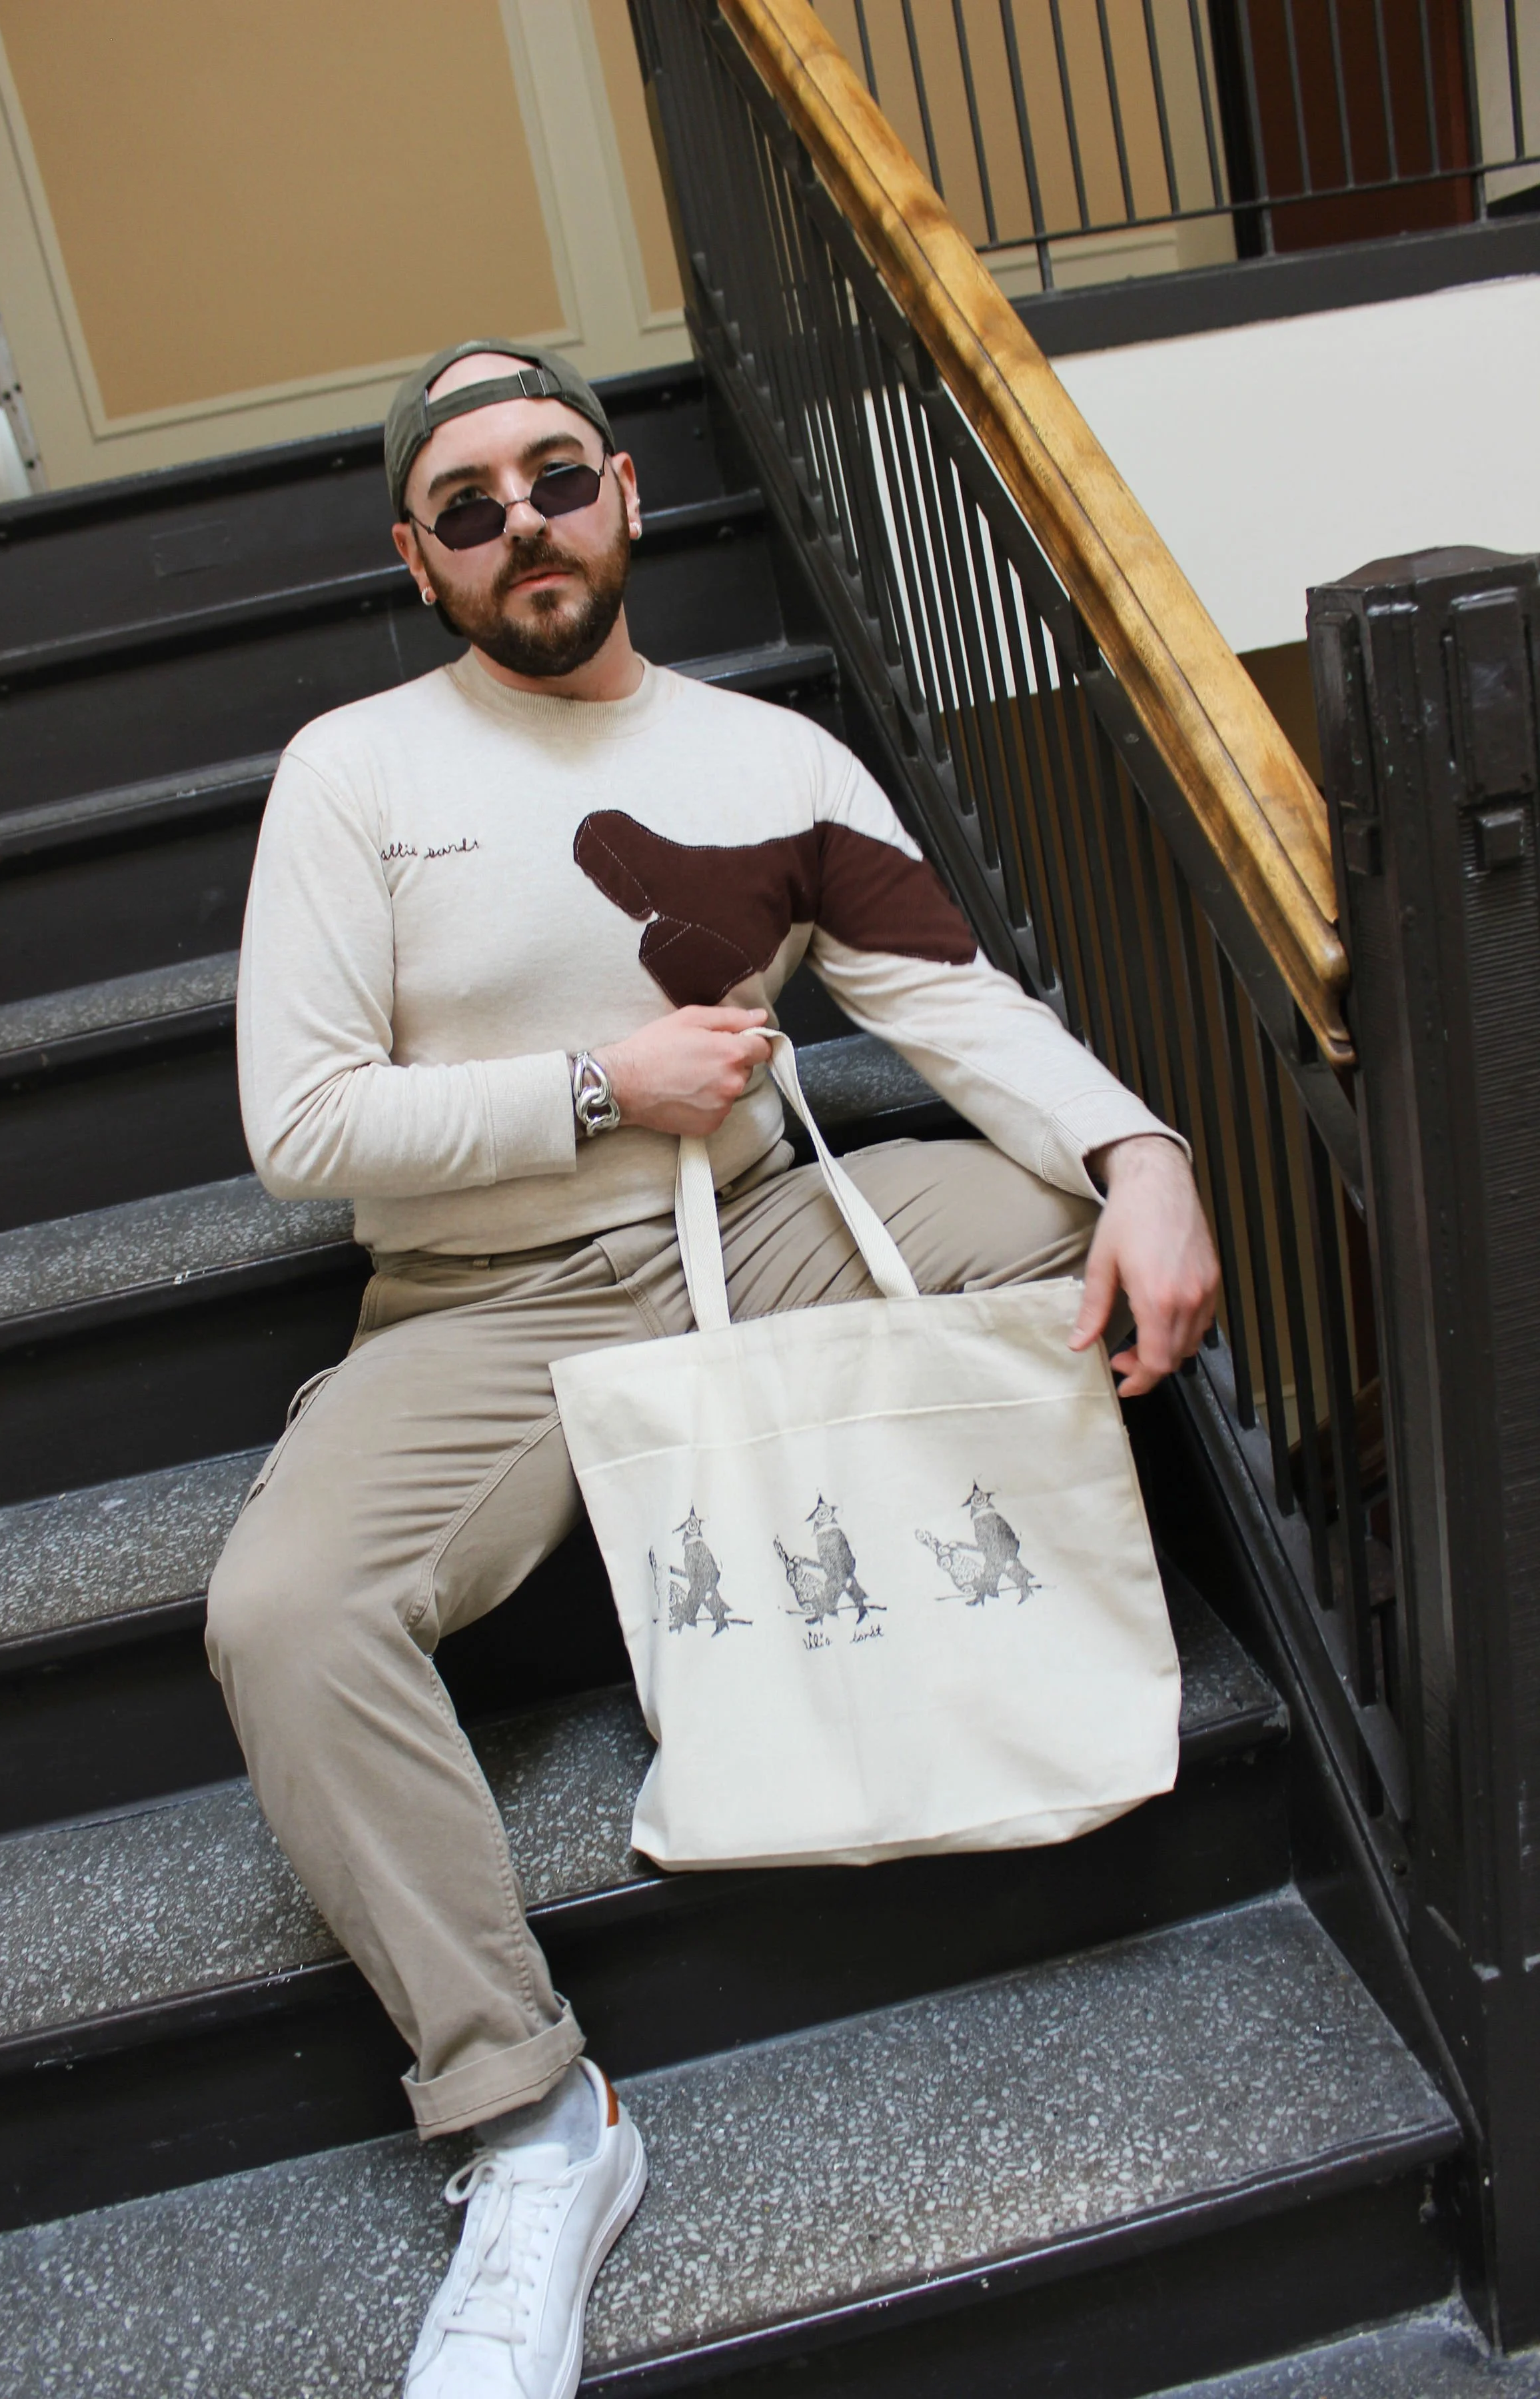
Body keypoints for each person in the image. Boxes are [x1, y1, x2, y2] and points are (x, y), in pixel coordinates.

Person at [206, 339, 1220, 2399]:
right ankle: (529, 2121)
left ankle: (962, 1637)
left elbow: (949, 1001)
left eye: (553, 477)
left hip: (752, 1236)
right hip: (487, 1305)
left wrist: (1146, 1153)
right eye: (467, 506)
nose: (524, 526)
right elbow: (302, 1128)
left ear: (626, 496)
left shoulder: (775, 761)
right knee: (288, 1614)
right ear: (422, 559)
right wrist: (600, 1081)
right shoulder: (359, 772)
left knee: (1053, 1231)